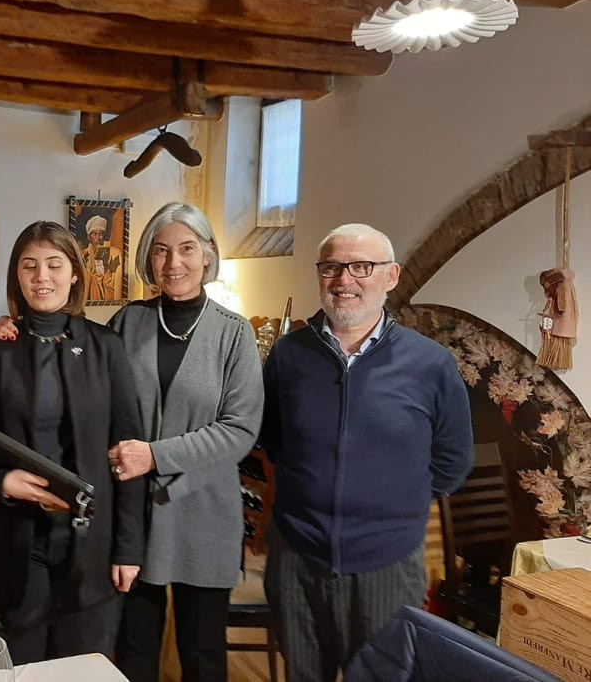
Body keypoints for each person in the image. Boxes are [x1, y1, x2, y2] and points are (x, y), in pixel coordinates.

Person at [259, 223, 475, 682]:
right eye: (332, 267)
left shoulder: (431, 364)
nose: (344, 280)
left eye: (361, 266)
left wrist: (391, 506)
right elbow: (274, 441)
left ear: (391, 276)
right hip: (298, 559)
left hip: (388, 565)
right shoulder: (288, 355)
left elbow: (453, 461)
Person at [0, 221, 145, 664]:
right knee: (20, 664)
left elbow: (128, 455)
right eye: (30, 266)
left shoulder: (107, 347)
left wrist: (129, 549)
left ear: (75, 273)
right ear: (17, 276)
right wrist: (2, 482)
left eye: (54, 264)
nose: (42, 277)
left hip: (92, 543)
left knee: (83, 666)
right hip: (17, 540)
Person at [106, 202, 263, 682]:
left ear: (208, 255)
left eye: (187, 249)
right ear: (148, 260)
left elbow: (239, 430)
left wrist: (155, 455)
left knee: (202, 655)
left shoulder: (235, 334)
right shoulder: (126, 323)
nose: (174, 263)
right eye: (161, 250)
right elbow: (93, 388)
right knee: (133, 650)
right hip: (135, 514)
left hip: (205, 511)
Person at [82, 214, 123, 301]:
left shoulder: (114, 253)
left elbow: (117, 278)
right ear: (89, 237)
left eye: (100, 234)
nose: (98, 238)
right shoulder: (83, 254)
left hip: (108, 299)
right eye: (94, 234)